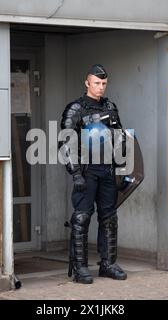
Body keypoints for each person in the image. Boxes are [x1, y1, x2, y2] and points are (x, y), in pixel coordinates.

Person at [59, 64, 127, 284]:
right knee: (82, 217)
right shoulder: (75, 109)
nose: (100, 88)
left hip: (107, 169)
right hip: (86, 172)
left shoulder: (110, 106)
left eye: (104, 84)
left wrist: (121, 169)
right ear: (87, 83)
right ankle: (80, 268)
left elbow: (119, 137)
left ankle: (108, 264)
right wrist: (75, 173)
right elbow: (65, 144)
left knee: (109, 217)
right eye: (97, 83)